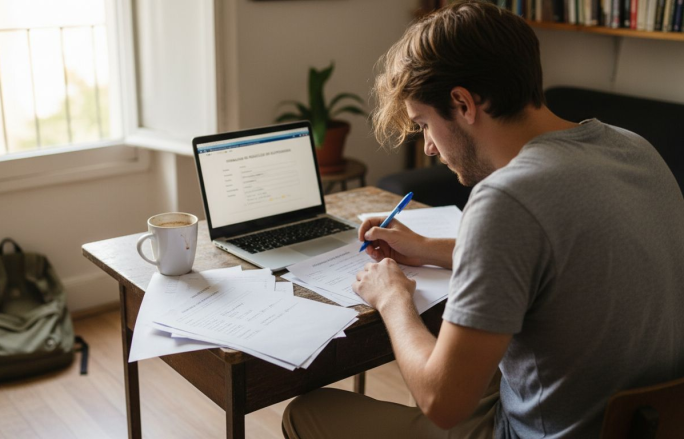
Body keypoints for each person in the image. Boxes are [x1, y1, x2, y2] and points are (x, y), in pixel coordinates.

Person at [281, 1, 684, 438]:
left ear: (462, 103)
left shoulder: (507, 199)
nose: (430, 148)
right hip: (647, 422)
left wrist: (391, 297)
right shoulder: (632, 147)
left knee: (306, 411)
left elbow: (442, 403)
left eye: (425, 124)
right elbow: (562, 257)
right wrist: (429, 249)